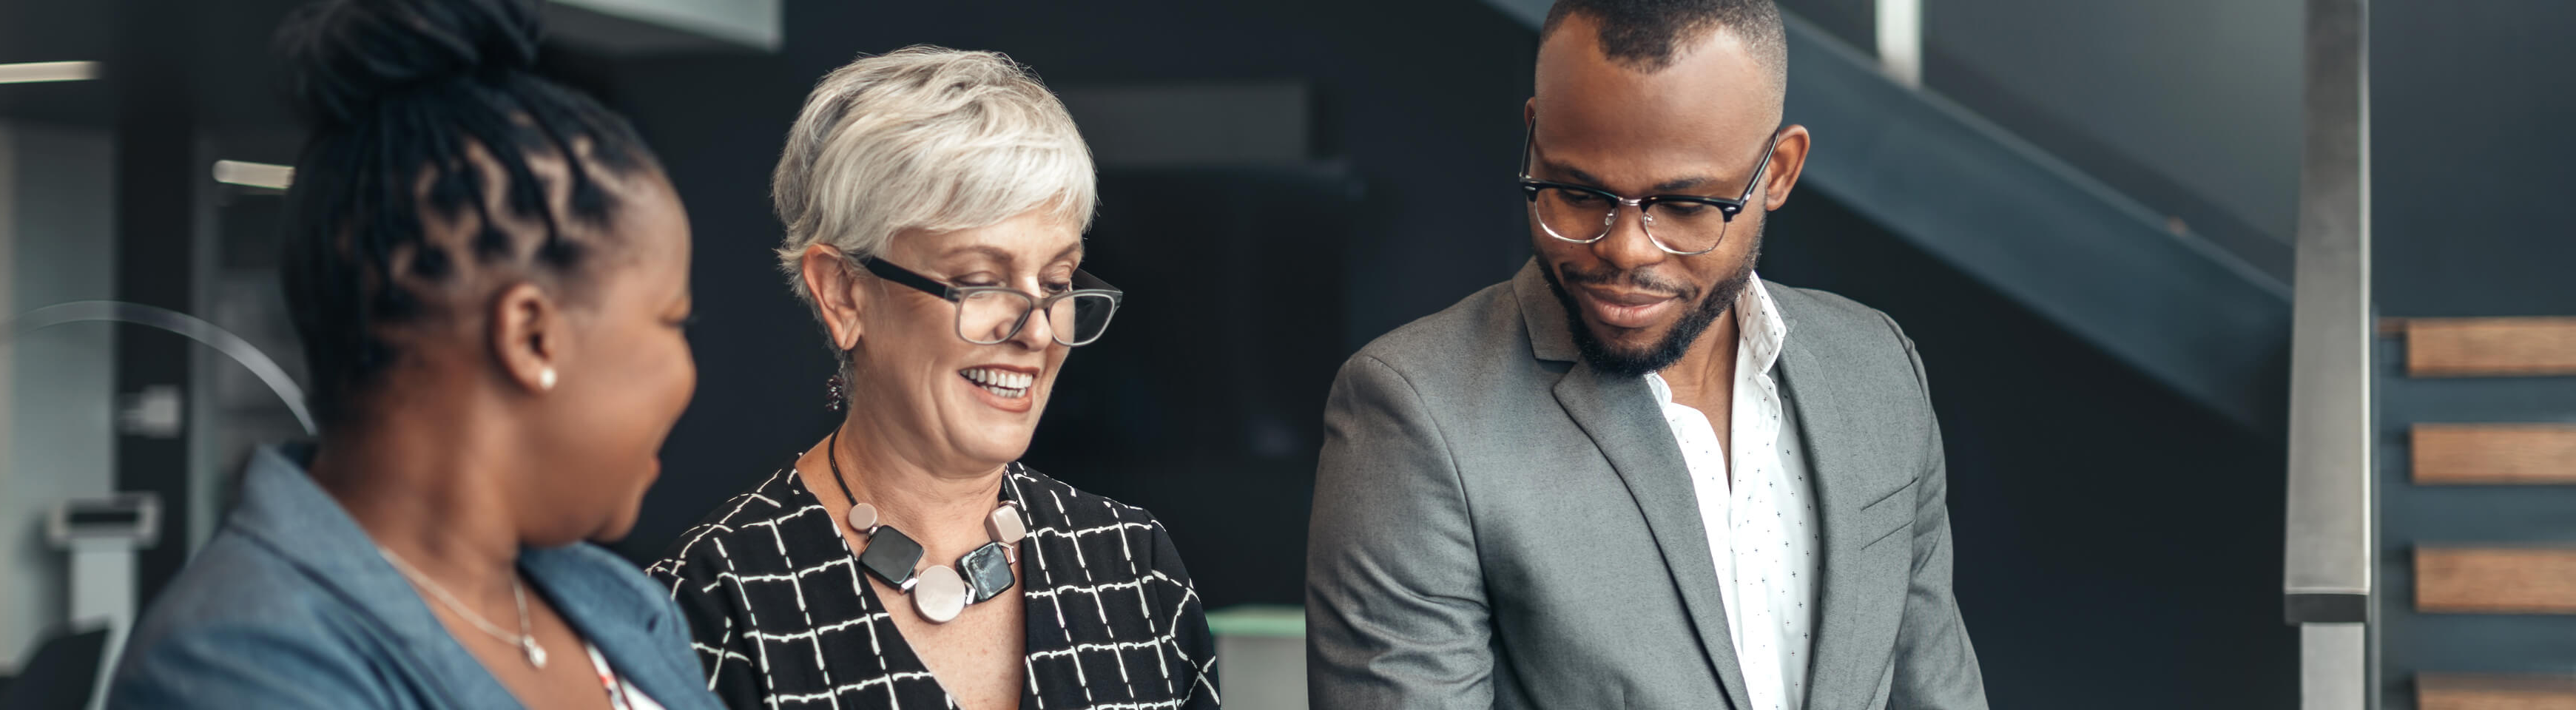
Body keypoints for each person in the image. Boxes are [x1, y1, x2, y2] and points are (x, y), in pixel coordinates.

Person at [1304, 1, 1989, 708]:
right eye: (1575, 192)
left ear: (1778, 172)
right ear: (1534, 139)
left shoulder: (1877, 369)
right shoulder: (1417, 418)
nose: (1625, 249)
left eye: (1684, 206)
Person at [104, 0, 722, 707]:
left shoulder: (621, 607)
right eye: (673, 319)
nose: (689, 371)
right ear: (531, 336)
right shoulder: (240, 664)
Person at [645, 47, 1221, 710]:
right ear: (844, 294)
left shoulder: (1133, 566)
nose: (1037, 331)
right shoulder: (711, 603)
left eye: (1057, 282)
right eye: (981, 283)